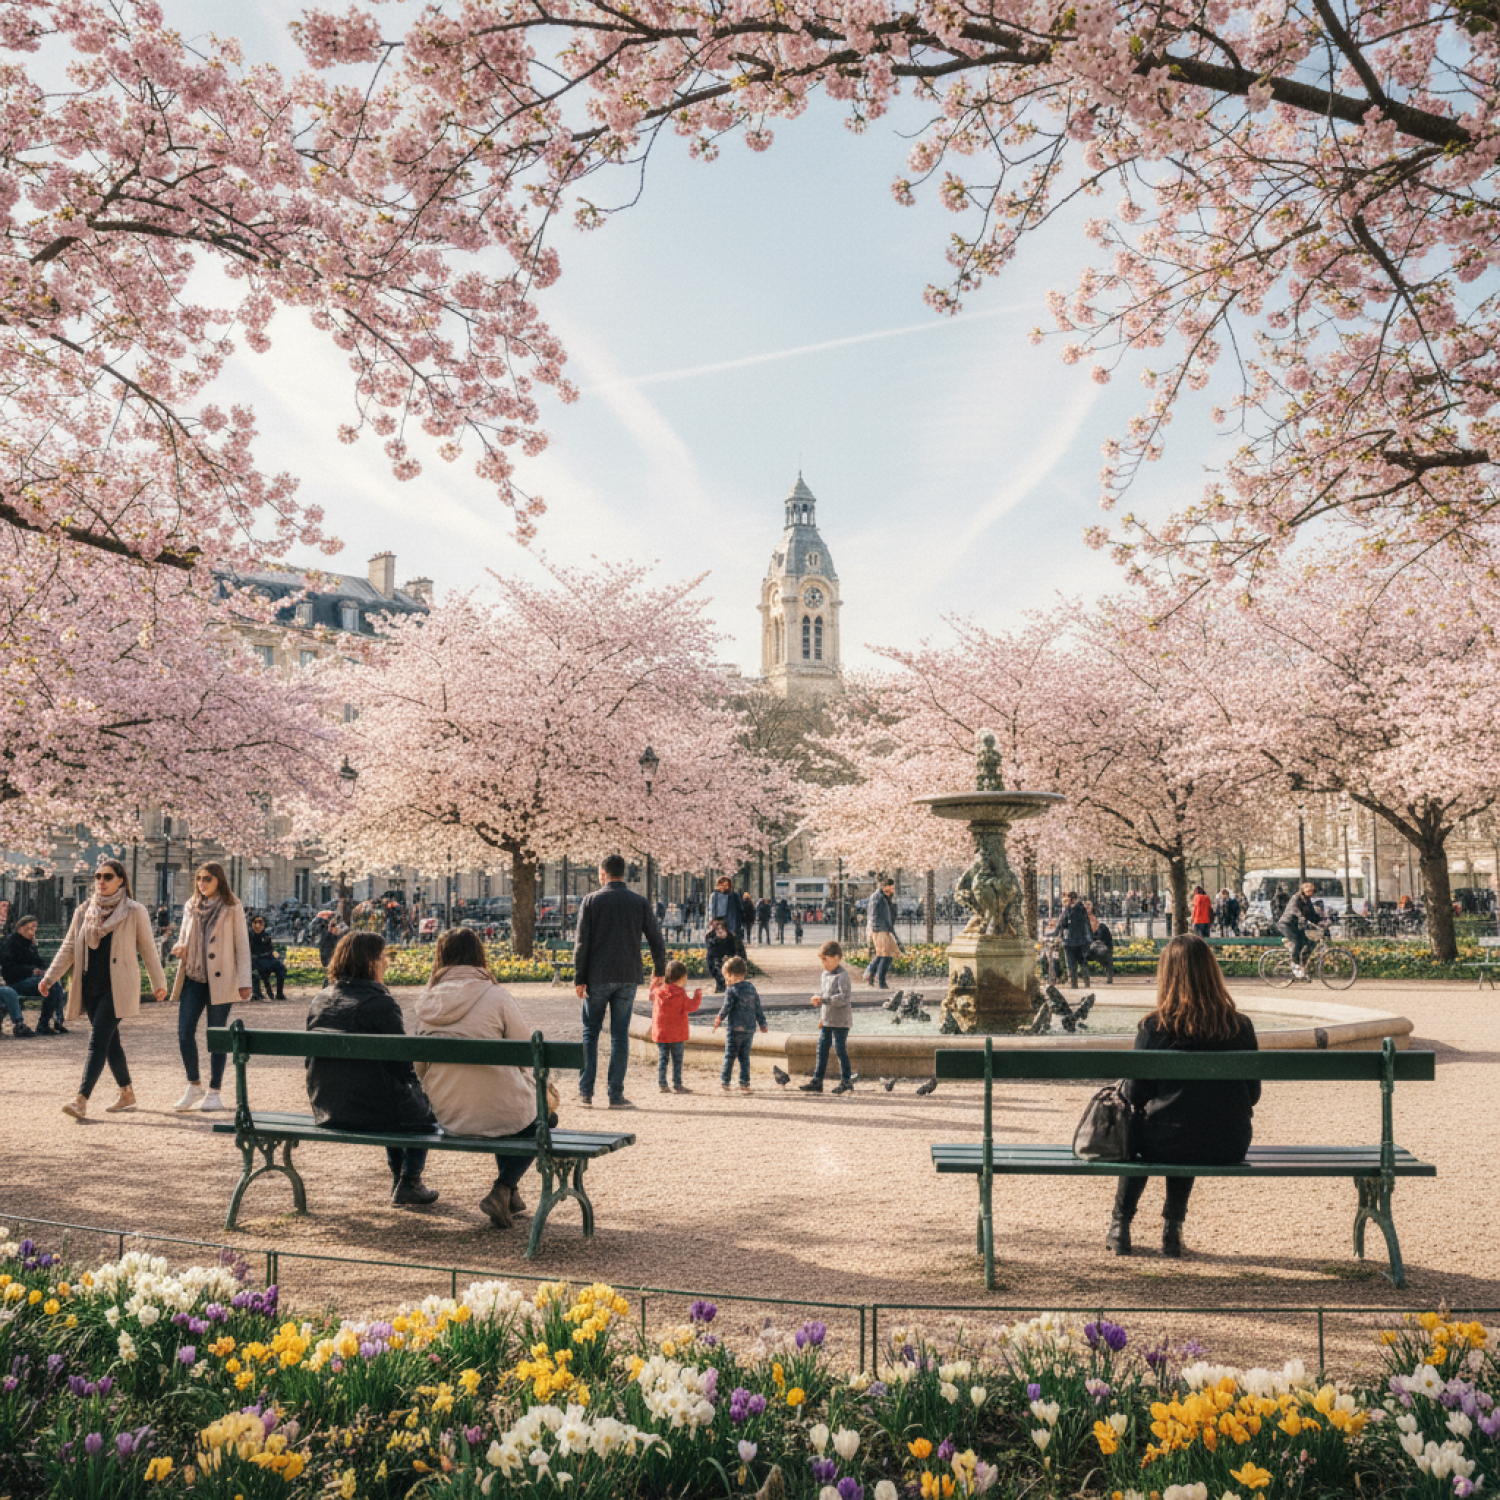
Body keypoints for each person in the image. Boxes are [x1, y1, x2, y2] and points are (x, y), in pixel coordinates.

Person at [1106, 933, 1260, 1258]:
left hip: (1166, 1142)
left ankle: (1120, 1226)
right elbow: (1253, 1093)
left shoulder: (1154, 1027)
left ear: (1167, 975)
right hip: (1228, 1143)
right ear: (1212, 972)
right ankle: (1172, 1229)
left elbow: (1134, 1095)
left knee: (1153, 1126)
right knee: (1192, 1118)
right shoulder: (1240, 1026)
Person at [412, 927, 538, 1228]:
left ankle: (511, 1195)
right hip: (500, 1112)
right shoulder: (496, 995)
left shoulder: (428, 1001)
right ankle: (504, 1187)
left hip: (448, 1114)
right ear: (479, 955)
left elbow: (419, 1068)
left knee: (509, 1107)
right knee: (536, 1119)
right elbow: (525, 1052)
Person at [306, 931, 440, 1206]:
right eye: (383, 956)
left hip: (327, 1105)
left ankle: (400, 1179)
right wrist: (420, 1092)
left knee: (393, 1095)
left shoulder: (321, 999)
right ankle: (409, 1179)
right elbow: (401, 1065)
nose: (387, 962)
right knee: (419, 1108)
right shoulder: (381, 1003)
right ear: (370, 963)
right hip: (370, 1108)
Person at [42, 860, 168, 1119]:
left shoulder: (134, 911)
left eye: (107, 876)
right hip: (90, 986)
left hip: (119, 986)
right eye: (98, 876)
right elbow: (69, 947)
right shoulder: (84, 910)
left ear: (120, 880)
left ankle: (81, 1100)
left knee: (97, 1040)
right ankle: (127, 1092)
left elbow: (148, 949)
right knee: (111, 1042)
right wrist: (49, 978)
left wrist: (159, 984)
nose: (101, 881)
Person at [572, 853, 666, 1109]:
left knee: (590, 1033)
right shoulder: (639, 902)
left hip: (598, 976)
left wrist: (579, 977)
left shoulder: (591, 901)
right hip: (627, 975)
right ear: (623, 873)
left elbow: (581, 943)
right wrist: (659, 971)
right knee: (619, 1036)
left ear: (603, 874)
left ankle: (585, 1092)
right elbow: (656, 938)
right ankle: (615, 1094)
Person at [169, 864, 252, 1113]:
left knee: (216, 1035)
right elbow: (184, 936)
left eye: (207, 879)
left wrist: (244, 981)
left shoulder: (232, 906)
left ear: (219, 880)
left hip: (222, 978)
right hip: (193, 976)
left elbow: (242, 945)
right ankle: (194, 1085)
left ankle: (215, 1091)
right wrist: (180, 946)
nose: (201, 883)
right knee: (184, 1032)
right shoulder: (191, 905)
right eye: (198, 879)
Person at [799, 939, 854, 1094]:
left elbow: (844, 998)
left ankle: (846, 1081)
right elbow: (825, 994)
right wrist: (820, 1002)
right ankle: (817, 1081)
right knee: (822, 1048)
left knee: (840, 1049)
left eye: (825, 959)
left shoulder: (843, 976)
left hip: (841, 1020)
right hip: (827, 1019)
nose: (823, 963)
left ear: (836, 958)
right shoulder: (824, 974)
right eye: (822, 960)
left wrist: (823, 999)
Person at [712, 956, 767, 1093]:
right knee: (744, 1058)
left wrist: (719, 1018)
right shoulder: (751, 987)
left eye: (725, 976)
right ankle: (745, 1084)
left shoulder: (731, 990)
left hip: (735, 1028)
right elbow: (757, 1007)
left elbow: (726, 1007)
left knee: (729, 1056)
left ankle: (725, 1082)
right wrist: (762, 1023)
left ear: (730, 975)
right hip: (749, 1029)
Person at [1, 916, 64, 1033]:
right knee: (50, 985)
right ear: (21, 928)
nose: (33, 930)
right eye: (30, 927)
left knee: (54, 985)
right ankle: (44, 1024)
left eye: (35, 927)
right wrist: (31, 971)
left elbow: (39, 963)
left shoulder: (30, 944)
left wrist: (42, 970)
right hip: (17, 982)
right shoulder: (11, 943)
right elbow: (9, 969)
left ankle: (56, 1020)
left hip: (32, 980)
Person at [649, 959, 702, 1094]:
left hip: (661, 1033)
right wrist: (697, 995)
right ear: (682, 978)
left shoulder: (658, 992)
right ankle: (677, 1084)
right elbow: (691, 1006)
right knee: (677, 1060)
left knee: (663, 1058)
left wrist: (655, 980)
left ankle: (662, 1084)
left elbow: (651, 994)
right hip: (677, 1034)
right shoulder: (680, 993)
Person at [1278, 881, 1323, 979]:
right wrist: (1301, 917)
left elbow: (1312, 914)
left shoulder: (1308, 901)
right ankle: (1294, 964)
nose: (1310, 893)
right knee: (1296, 941)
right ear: (1303, 891)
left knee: (1310, 943)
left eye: (1312, 891)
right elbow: (1294, 909)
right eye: (1308, 891)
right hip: (1286, 924)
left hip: (1296, 926)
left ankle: (1302, 964)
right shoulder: (1296, 898)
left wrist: (1321, 921)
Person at [866, 876, 900, 989]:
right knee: (885, 955)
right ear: (884, 887)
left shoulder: (884, 897)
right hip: (880, 929)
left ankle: (870, 974)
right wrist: (877, 929)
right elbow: (875, 915)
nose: (891, 891)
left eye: (893, 889)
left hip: (884, 929)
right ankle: (880, 980)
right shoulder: (878, 897)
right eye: (890, 889)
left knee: (886, 954)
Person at [1054, 891, 1092, 988]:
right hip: (1075, 940)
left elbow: (1062, 923)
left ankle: (1079, 982)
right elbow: (1061, 923)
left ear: (1072, 899)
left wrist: (1057, 932)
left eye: (1067, 899)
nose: (1066, 901)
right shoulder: (1074, 909)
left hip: (1075, 940)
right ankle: (1079, 982)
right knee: (1076, 962)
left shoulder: (1075, 909)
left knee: (1076, 963)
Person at [248, 915, 288, 1001]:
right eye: (256, 922)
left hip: (268, 959)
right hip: (255, 960)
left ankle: (279, 993)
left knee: (281, 968)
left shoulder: (266, 935)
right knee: (259, 971)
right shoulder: (249, 936)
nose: (259, 925)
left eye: (261, 922)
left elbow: (270, 950)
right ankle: (258, 993)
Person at [708, 876, 743, 955]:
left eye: (726, 885)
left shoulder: (733, 896)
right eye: (721, 885)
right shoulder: (714, 896)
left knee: (731, 942)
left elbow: (738, 911)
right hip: (718, 922)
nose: (723, 887)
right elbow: (711, 910)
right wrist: (712, 921)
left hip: (730, 921)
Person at [1084, 901, 1115, 984]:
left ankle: (1109, 977)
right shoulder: (1082, 925)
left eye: (1089, 905)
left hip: (1100, 951)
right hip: (1088, 951)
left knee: (1106, 955)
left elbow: (1108, 942)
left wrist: (1108, 949)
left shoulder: (1102, 927)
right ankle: (1085, 978)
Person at [705, 918, 735, 993]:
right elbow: (710, 948)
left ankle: (722, 987)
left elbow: (733, 948)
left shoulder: (730, 936)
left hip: (725, 958)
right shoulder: (710, 935)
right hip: (713, 958)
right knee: (716, 973)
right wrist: (717, 939)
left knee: (722, 974)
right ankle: (720, 986)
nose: (719, 929)